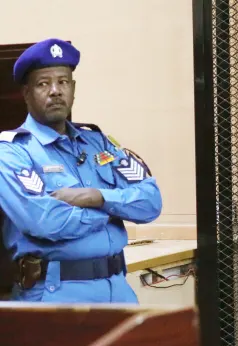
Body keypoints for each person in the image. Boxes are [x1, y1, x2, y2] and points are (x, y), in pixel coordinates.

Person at [0, 39, 162, 304]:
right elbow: (45, 222)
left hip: (118, 289)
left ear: (73, 89)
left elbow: (150, 202)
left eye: (63, 82)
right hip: (56, 292)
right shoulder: (12, 152)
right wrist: (115, 209)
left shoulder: (100, 143)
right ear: (26, 94)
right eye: (43, 84)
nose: (55, 91)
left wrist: (96, 197)